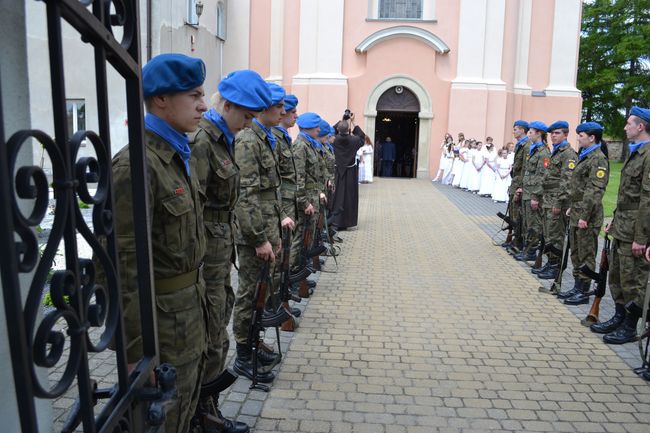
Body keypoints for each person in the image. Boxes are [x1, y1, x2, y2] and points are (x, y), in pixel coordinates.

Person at [110, 53, 208, 433]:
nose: (202, 105)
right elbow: (123, 265)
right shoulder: (137, 164)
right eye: (193, 95)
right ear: (161, 99)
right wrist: (136, 352)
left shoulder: (176, 155)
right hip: (161, 328)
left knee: (181, 414)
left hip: (188, 314)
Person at [190, 69, 271, 433]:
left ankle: (209, 411)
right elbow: (194, 209)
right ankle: (202, 414)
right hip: (206, 256)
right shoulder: (203, 142)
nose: (248, 123)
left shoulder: (223, 139)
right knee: (209, 334)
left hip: (220, 255)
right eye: (246, 116)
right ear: (228, 105)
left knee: (217, 328)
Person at [232, 82, 294, 382]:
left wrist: (280, 218)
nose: (283, 111)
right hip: (255, 234)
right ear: (264, 107)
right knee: (249, 293)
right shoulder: (248, 141)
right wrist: (259, 238)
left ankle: (254, 341)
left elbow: (273, 189)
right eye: (279, 106)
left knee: (262, 291)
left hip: (267, 226)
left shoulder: (264, 139)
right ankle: (244, 354)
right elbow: (246, 194)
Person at [592, 107, 650, 345]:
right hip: (623, 227)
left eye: (628, 123)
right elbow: (626, 196)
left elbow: (647, 199)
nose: (624, 127)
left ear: (641, 126)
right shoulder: (636, 153)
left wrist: (642, 238)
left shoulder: (648, 155)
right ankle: (618, 316)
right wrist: (614, 221)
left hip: (635, 231)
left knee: (633, 278)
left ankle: (630, 325)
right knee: (616, 275)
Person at [553, 122, 608, 303]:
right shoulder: (585, 156)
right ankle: (577, 286)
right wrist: (573, 206)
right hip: (578, 209)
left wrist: (584, 215)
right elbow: (579, 188)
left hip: (588, 215)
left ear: (592, 138)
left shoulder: (597, 158)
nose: (578, 138)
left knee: (586, 253)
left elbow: (594, 191)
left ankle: (583, 291)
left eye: (581, 136)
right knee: (576, 252)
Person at [535, 121, 578, 281]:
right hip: (548, 199)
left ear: (566, 135)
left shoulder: (568, 154)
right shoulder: (555, 152)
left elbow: (567, 182)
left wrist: (559, 203)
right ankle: (550, 262)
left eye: (557, 133)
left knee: (556, 235)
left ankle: (555, 266)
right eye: (552, 133)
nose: (553, 135)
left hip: (556, 201)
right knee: (548, 233)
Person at [515, 121, 550, 263]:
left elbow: (543, 177)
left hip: (533, 194)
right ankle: (527, 249)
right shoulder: (534, 150)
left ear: (539, 133)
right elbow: (528, 173)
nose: (529, 134)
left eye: (531, 132)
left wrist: (536, 196)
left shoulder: (544, 152)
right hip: (527, 192)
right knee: (527, 224)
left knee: (534, 225)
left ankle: (531, 251)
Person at [331, 120, 364, 229]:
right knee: (349, 196)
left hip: (337, 172)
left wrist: (341, 120)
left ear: (338, 130)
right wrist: (353, 121)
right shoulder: (354, 140)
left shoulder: (333, 140)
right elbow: (362, 136)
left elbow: (330, 131)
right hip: (350, 172)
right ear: (349, 130)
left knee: (337, 196)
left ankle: (335, 221)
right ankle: (347, 222)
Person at [504, 121, 530, 251]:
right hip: (515, 183)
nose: (513, 131)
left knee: (519, 215)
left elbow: (525, 169)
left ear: (522, 130)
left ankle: (519, 241)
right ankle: (514, 239)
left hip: (520, 185)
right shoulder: (520, 145)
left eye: (515, 129)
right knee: (513, 214)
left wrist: (520, 187)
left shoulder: (526, 146)